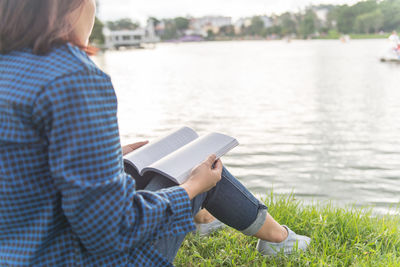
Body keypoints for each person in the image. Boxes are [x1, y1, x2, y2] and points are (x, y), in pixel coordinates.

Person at [0, 0, 311, 266]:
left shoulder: (9, 66)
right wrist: (190, 189)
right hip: (71, 256)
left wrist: (107, 156)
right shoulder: (72, 77)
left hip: (20, 249)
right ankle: (277, 238)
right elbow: (111, 229)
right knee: (199, 164)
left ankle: (209, 220)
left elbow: (20, 167)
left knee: (169, 155)